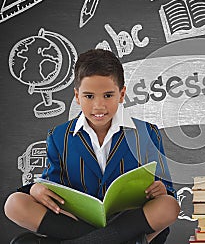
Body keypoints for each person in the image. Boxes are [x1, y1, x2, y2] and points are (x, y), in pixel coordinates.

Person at [4, 49, 180, 244]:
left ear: (121, 95)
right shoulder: (59, 136)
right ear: (77, 96)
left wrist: (162, 189)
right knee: (14, 203)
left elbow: (168, 191)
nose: (98, 106)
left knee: (169, 206)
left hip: (129, 220)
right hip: (76, 222)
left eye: (107, 95)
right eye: (89, 96)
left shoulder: (147, 133)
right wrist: (35, 189)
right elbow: (52, 184)